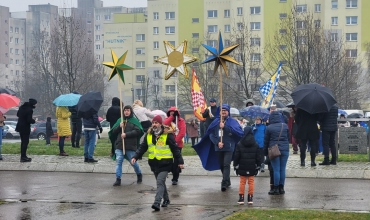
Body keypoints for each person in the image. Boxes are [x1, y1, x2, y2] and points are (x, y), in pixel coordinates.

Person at [131, 115, 184, 211]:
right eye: (153, 123)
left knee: (160, 181)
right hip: (154, 164)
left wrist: (180, 162)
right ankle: (166, 200)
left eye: (156, 123)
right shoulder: (149, 135)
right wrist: (135, 156)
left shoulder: (167, 135)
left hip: (166, 164)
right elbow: (143, 147)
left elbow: (175, 149)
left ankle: (157, 202)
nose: (154, 124)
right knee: (161, 183)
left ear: (161, 124)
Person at [209, 104, 244, 191]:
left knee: (226, 164)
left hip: (229, 146)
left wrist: (225, 127)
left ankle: (224, 182)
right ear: (220, 112)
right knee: (221, 165)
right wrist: (217, 143)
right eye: (222, 110)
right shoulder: (215, 121)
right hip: (219, 147)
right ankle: (227, 180)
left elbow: (238, 132)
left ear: (228, 112)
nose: (224, 112)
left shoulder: (232, 122)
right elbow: (211, 134)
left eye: (225, 110)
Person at [109, 105, 144, 186]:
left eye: (128, 110)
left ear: (131, 111)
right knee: (119, 161)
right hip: (119, 145)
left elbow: (138, 131)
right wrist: (119, 127)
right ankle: (118, 179)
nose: (126, 112)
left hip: (130, 145)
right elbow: (114, 131)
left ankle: (139, 174)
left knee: (133, 162)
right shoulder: (120, 120)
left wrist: (127, 134)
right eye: (125, 110)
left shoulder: (135, 121)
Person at [264, 111, 290, 195]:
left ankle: (275, 188)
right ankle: (281, 188)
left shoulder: (269, 127)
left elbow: (266, 141)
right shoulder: (285, 126)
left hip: (274, 149)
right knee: (282, 169)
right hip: (285, 149)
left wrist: (265, 152)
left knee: (276, 170)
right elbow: (288, 138)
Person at [233, 126, 261, 205]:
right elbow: (258, 156)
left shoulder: (240, 143)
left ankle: (241, 198)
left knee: (242, 182)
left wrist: (235, 166)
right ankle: (250, 198)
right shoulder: (255, 143)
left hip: (242, 165)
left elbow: (236, 156)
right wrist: (258, 166)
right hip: (252, 166)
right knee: (251, 182)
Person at [163, 106, 186, 185]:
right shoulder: (168, 120)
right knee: (169, 161)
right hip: (168, 144)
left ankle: (175, 178)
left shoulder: (181, 121)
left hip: (177, 144)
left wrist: (175, 142)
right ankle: (173, 171)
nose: (172, 114)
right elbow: (164, 124)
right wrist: (172, 117)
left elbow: (182, 132)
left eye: (174, 112)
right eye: (171, 112)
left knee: (176, 161)